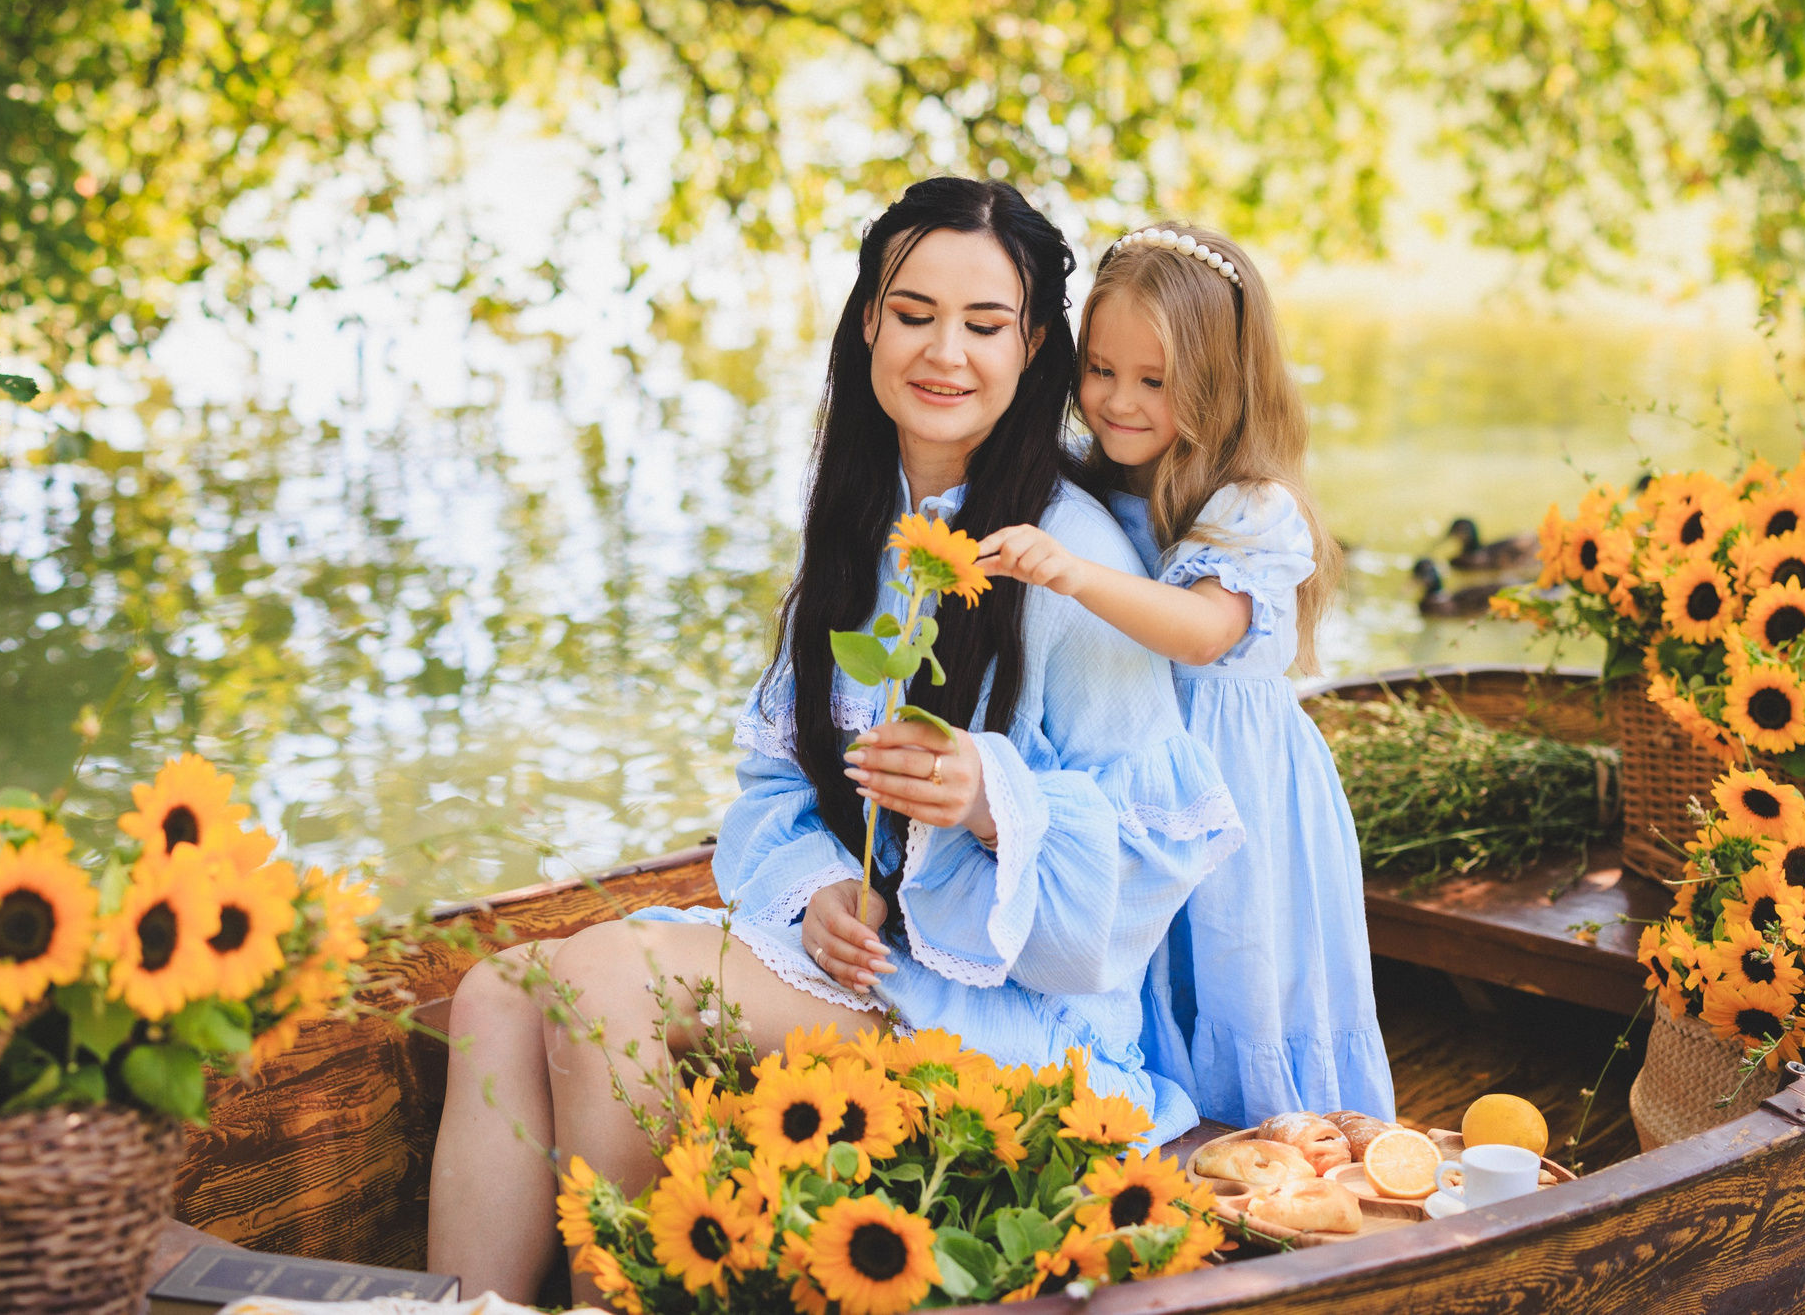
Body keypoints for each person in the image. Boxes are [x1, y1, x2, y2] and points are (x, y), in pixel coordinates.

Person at [424, 180, 1242, 1300]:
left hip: (1016, 1012)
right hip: (863, 963)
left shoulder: (1066, 550)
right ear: (867, 320)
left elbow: (1148, 865)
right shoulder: (863, 523)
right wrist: (813, 886)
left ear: (1033, 343)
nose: (942, 350)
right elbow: (778, 777)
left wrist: (989, 795)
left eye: (984, 324)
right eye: (912, 313)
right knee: (499, 993)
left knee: (605, 975)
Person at [976, 222, 1396, 1126]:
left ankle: (1289, 1159)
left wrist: (1070, 570)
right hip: (1138, 778)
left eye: (1154, 382)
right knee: (1154, 970)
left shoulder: (1253, 505)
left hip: (1243, 794)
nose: (1118, 402)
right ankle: (1176, 1145)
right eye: (1101, 370)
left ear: (1214, 383)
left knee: (1245, 972)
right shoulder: (1096, 489)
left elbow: (1204, 632)